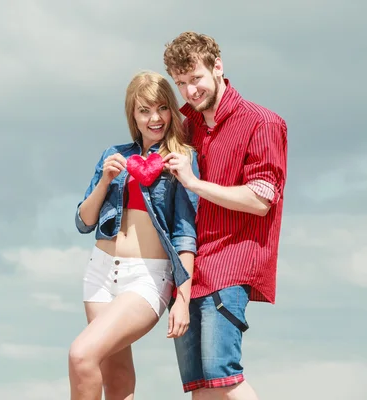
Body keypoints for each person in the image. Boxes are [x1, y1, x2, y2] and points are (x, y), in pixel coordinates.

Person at [162, 32, 288, 399]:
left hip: (231, 262)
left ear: (218, 67)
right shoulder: (187, 127)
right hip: (190, 269)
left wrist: (194, 182)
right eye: (181, 83)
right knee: (200, 386)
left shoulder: (262, 122)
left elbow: (261, 199)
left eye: (195, 78)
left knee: (223, 375)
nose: (189, 91)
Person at [69, 70, 199, 400]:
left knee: (81, 355)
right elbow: (84, 222)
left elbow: (185, 235)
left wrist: (182, 301)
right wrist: (103, 181)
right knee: (118, 375)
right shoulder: (115, 155)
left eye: (161, 108)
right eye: (144, 110)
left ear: (171, 109)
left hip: (146, 277)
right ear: (133, 114)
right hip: (99, 273)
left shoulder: (181, 160)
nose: (154, 118)